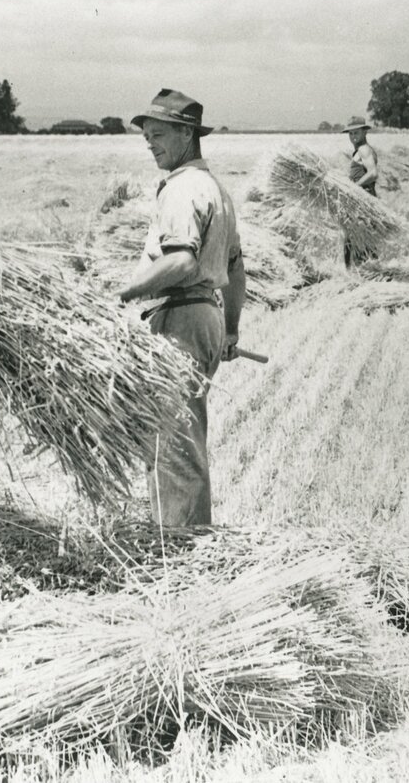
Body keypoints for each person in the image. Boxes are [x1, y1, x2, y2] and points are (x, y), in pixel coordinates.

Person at [119, 88, 245, 527]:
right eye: (146, 137)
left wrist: (127, 292)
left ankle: (182, 551)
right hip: (204, 318)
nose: (150, 143)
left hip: (180, 323)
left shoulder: (182, 188)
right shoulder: (216, 189)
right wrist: (229, 331)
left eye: (157, 134)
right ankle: (182, 539)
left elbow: (181, 259)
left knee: (172, 444)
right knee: (181, 438)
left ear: (187, 134)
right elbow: (235, 266)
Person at [341, 119, 379, 267]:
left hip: (364, 200)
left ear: (364, 132)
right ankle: (358, 273)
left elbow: (373, 173)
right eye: (350, 133)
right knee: (355, 239)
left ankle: (360, 274)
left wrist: (354, 187)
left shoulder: (364, 149)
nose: (353, 136)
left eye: (356, 132)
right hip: (359, 199)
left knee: (359, 239)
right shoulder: (359, 151)